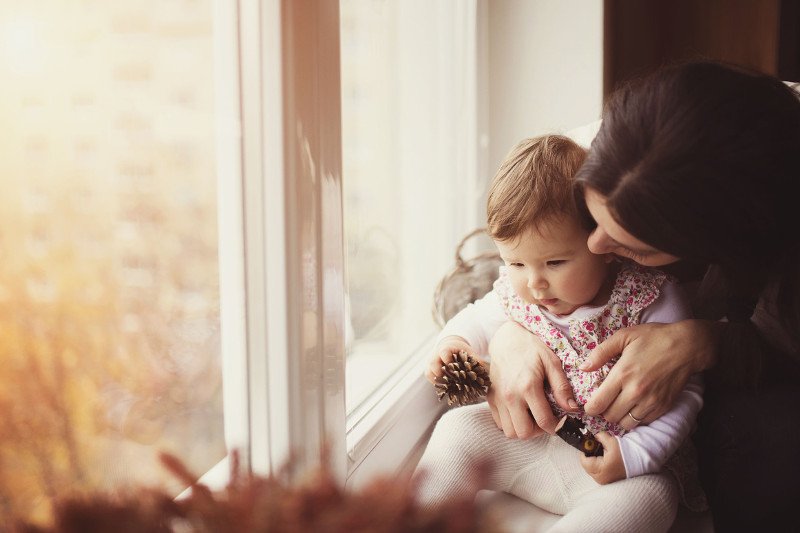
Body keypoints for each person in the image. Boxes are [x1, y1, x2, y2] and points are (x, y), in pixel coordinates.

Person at [485, 61, 800, 532]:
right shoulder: (618, 149)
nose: (595, 247)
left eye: (633, 246)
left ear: (716, 246)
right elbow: (517, 249)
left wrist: (706, 342)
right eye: (592, 221)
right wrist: (507, 336)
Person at [416, 135, 704, 532]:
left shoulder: (651, 297)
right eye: (515, 263)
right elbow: (474, 320)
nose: (534, 284)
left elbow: (685, 393)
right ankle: (410, 520)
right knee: (458, 428)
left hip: (616, 464)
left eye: (554, 262)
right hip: (529, 439)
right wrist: (452, 345)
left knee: (649, 499)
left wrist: (637, 454)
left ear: (603, 243)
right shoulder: (514, 293)